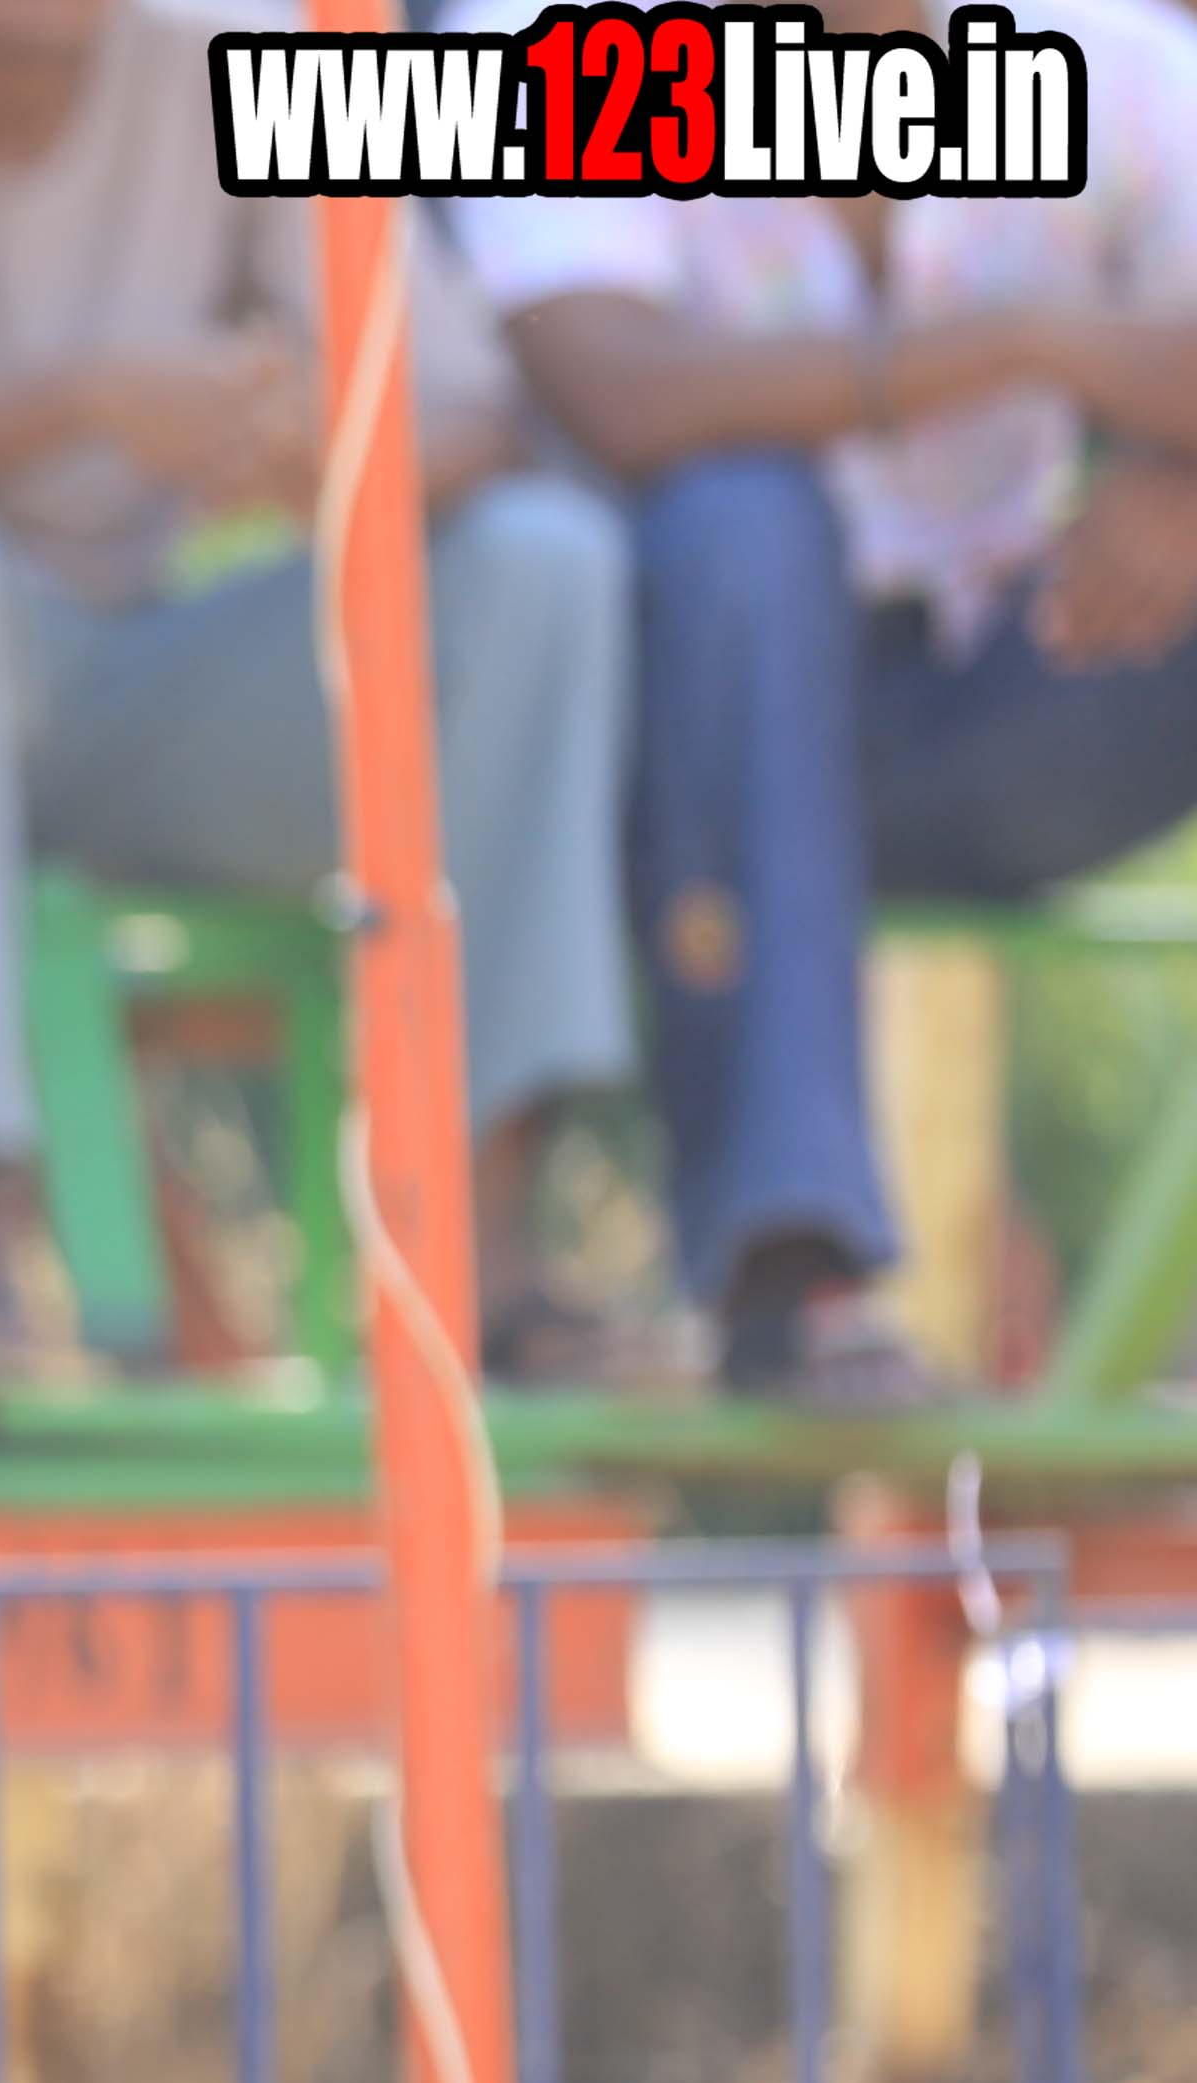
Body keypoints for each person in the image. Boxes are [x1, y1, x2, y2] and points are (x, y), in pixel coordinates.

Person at [0, 0, 637, 1390]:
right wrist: (83, 402)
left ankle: (475, 1244)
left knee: (544, 566)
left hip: (157, 682)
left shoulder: (246, 57)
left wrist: (318, 440)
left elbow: (475, 419)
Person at [462, 0, 1197, 1409]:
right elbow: (620, 395)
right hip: (678, 756)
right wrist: (1022, 344)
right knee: (740, 520)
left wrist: (1182, 494)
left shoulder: (1105, 59)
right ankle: (788, 1257)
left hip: (1016, 695)